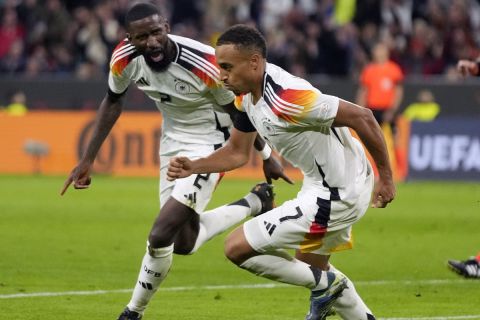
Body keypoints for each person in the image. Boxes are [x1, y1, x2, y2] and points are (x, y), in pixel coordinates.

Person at [60, 4, 292, 320]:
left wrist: (267, 155)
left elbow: (241, 114)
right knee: (183, 241)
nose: (152, 42)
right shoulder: (123, 59)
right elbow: (113, 101)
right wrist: (87, 159)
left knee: (160, 234)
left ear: (167, 27)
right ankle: (256, 201)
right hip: (172, 144)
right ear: (130, 38)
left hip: (212, 144)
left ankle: (133, 312)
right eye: (142, 37)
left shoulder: (205, 64)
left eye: (156, 32)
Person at [167, 24, 396, 320]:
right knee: (311, 265)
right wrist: (194, 166)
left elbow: (362, 116)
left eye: (226, 67)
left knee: (236, 248)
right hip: (331, 181)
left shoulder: (288, 97)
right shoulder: (246, 96)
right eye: (218, 67)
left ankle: (328, 286)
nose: (221, 76)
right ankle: (344, 299)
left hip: (336, 193)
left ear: (254, 63)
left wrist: (386, 178)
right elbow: (238, 152)